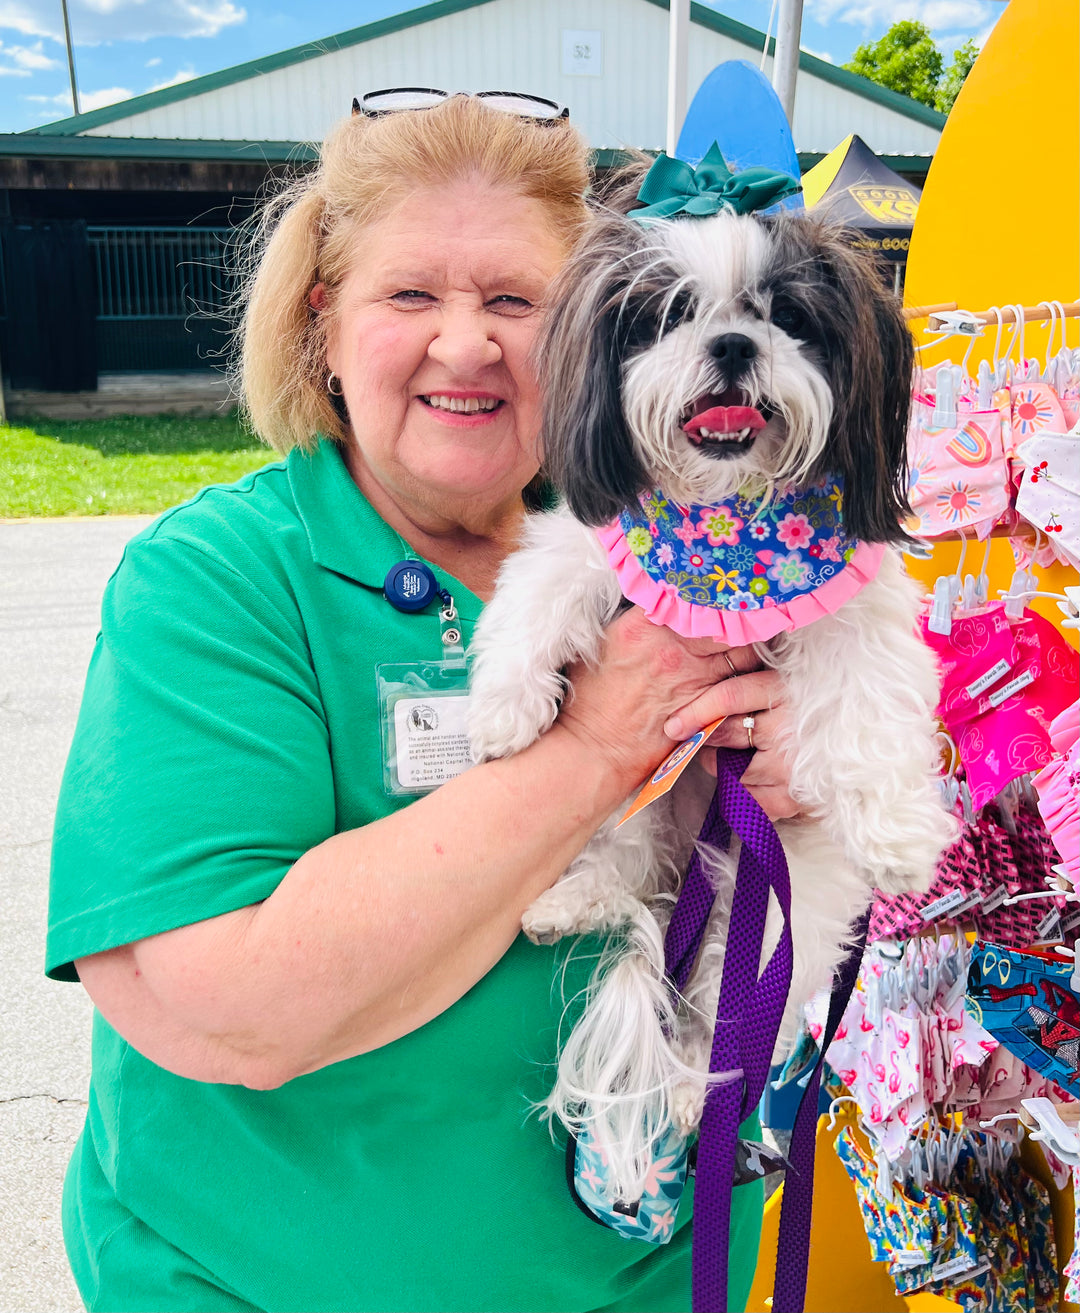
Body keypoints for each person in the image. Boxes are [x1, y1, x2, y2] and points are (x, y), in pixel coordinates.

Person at [47, 93, 798, 1313]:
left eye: (516, 302)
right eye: (410, 296)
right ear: (322, 326)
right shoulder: (222, 579)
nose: (468, 344)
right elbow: (228, 1010)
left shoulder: (674, 563)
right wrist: (601, 745)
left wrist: (786, 796)